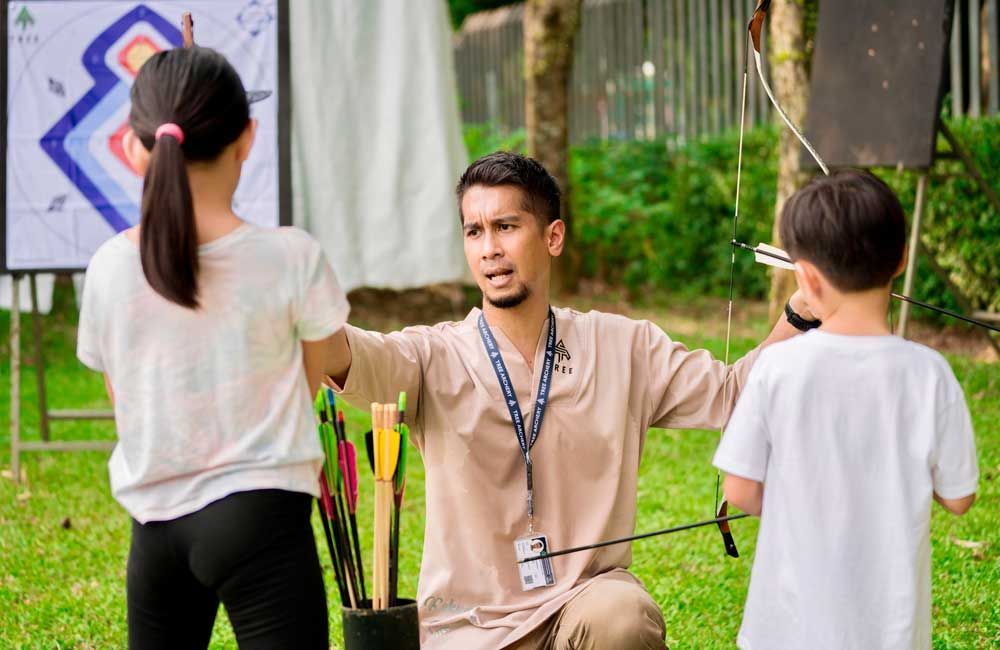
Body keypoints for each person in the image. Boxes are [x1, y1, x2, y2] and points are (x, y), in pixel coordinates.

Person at [321, 151, 816, 649]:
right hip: (466, 630)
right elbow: (348, 353)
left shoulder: (623, 346)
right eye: (475, 231)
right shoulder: (431, 355)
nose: (490, 248)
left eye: (506, 226)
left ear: (552, 237)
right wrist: (293, 301)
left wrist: (800, 311)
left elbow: (733, 395)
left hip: (581, 606)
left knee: (623, 615)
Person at [76, 47, 349, 649]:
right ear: (246, 138)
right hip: (261, 517)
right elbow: (313, 376)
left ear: (134, 147)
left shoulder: (107, 268)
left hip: (155, 528)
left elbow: (124, 397)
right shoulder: (291, 257)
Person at [713, 170, 978, 650]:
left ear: (807, 278)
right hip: (890, 632)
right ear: (900, 260)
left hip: (785, 628)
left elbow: (740, 488)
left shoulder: (775, 369)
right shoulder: (930, 374)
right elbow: (959, 498)